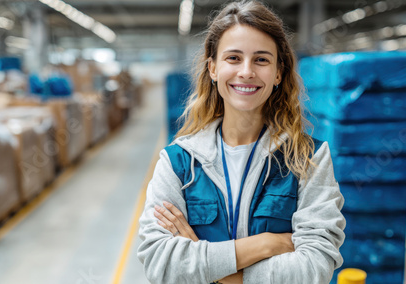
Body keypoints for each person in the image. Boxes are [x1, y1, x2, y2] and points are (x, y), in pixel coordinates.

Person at [137, 1, 345, 283]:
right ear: (212, 68)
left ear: (278, 73)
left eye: (261, 60)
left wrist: (221, 273)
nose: (246, 72)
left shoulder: (309, 158)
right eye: (233, 58)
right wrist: (266, 244)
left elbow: (315, 267)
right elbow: (160, 264)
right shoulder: (178, 164)